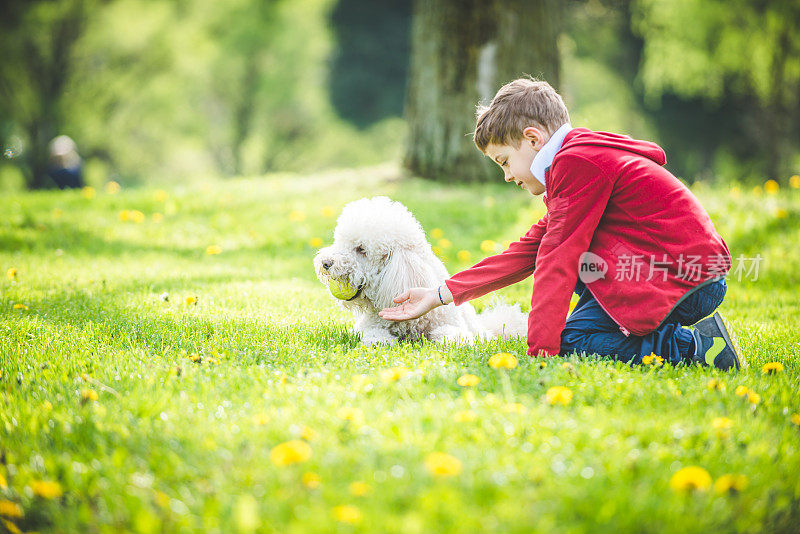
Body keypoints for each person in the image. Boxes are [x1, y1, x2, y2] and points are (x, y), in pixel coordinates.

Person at [378, 78, 743, 370]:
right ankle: (663, 332)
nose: (507, 176)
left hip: (686, 280)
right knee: (582, 310)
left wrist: (541, 351)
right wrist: (439, 295)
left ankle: (701, 346)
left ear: (533, 139)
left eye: (504, 161)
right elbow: (529, 250)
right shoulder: (576, 160)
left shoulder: (577, 164)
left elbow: (557, 259)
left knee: (574, 341)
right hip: (680, 274)